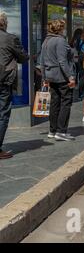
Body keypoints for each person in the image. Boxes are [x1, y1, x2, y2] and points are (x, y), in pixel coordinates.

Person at [40, 20, 76, 141]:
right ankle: (61, 131)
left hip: (51, 76)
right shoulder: (60, 41)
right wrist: (70, 77)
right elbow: (62, 61)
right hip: (61, 77)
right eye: (63, 28)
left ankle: (52, 130)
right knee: (66, 102)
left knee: (54, 103)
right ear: (60, 29)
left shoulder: (46, 41)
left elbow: (42, 62)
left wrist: (44, 78)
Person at [0, 12, 29, 159]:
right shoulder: (10, 39)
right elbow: (23, 57)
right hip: (4, 80)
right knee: (3, 113)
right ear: (4, 23)